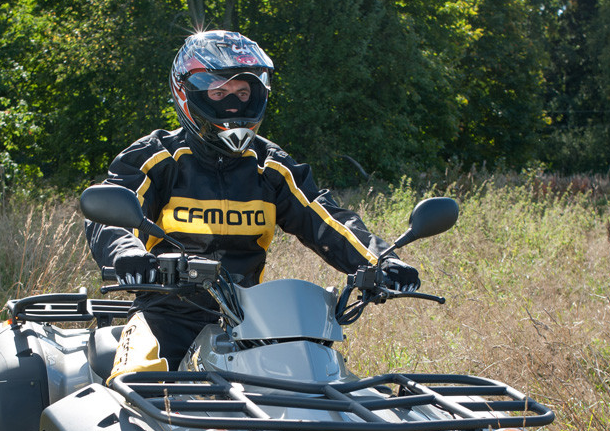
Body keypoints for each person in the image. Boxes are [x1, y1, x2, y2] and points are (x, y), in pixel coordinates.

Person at [85, 29, 420, 378]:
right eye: (220, 92)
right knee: (137, 385)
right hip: (165, 317)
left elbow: (324, 218)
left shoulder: (271, 166)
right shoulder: (156, 158)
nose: (234, 103)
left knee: (311, 392)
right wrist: (126, 252)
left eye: (243, 92)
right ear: (188, 94)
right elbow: (110, 214)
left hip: (252, 323)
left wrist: (381, 261)